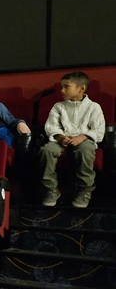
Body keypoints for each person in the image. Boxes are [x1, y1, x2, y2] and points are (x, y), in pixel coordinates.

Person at [39, 71, 106, 209]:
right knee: (47, 150)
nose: (62, 90)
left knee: (85, 150)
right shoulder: (58, 106)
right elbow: (51, 127)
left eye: (66, 87)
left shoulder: (93, 107)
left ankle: (85, 189)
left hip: (84, 140)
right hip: (61, 140)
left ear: (81, 89)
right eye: (62, 87)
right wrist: (60, 137)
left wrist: (83, 137)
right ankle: (51, 189)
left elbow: (98, 130)